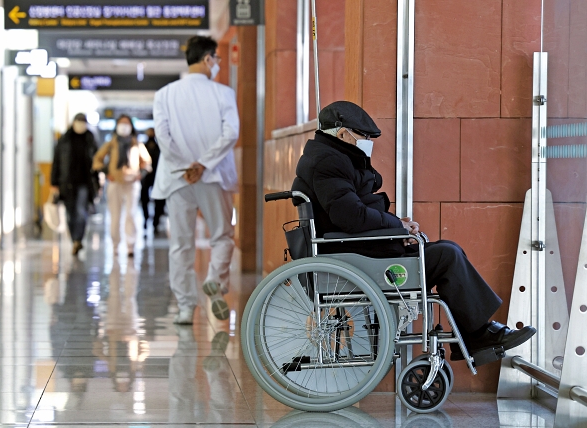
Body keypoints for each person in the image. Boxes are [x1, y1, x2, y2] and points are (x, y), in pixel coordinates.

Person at [291, 100, 536, 361]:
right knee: (447, 255)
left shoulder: (329, 157)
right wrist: (397, 227)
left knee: (448, 251)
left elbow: (352, 211)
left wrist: (397, 224)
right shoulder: (329, 162)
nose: (367, 142)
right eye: (363, 136)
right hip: (359, 255)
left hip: (360, 249)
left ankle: (476, 335)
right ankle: (477, 336)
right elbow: (351, 216)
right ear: (342, 134)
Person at [152, 35, 239, 325]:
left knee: (181, 244)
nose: (217, 65)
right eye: (217, 59)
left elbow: (163, 136)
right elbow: (231, 134)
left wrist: (185, 166)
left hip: (178, 180)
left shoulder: (164, 94)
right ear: (207, 59)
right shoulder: (223, 93)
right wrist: (203, 164)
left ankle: (186, 308)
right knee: (222, 236)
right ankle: (215, 283)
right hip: (214, 176)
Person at [93, 115, 151, 257]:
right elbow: (97, 159)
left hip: (131, 183)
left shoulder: (136, 144)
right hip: (115, 182)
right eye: (121, 123)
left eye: (126, 123)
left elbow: (147, 162)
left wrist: (140, 174)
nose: (124, 126)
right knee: (115, 216)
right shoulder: (111, 143)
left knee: (130, 214)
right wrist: (107, 172)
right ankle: (115, 245)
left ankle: (130, 245)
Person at [51, 113, 98, 256]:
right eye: (78, 121)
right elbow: (57, 161)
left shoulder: (90, 139)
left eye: (83, 121)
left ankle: (78, 238)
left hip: (85, 182)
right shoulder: (64, 139)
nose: (80, 124)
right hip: (67, 182)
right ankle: (74, 239)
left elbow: (96, 162)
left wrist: (97, 183)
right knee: (70, 213)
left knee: (81, 211)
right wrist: (54, 182)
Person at [140, 128, 166, 235]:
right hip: (146, 177)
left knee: (159, 201)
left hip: (158, 177)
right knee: (144, 200)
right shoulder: (143, 146)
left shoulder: (160, 146)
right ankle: (146, 219)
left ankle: (156, 222)